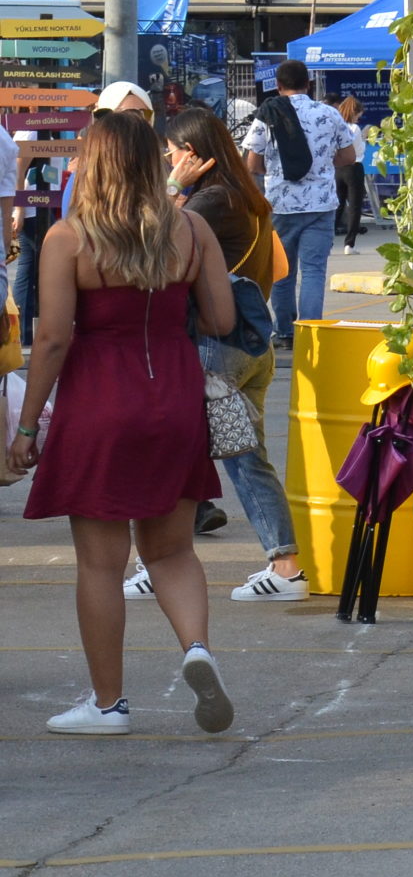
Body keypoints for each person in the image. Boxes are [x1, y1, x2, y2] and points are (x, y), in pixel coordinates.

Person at [10, 111, 240, 736]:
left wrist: (27, 429)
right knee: (171, 550)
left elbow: (53, 339)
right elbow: (220, 318)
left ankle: (108, 703)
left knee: (100, 564)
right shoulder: (191, 230)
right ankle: (196, 647)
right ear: (150, 162)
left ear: (96, 163)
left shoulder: (69, 238)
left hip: (99, 401)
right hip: (174, 393)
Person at [158, 108, 303, 603]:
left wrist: (171, 187)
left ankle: (284, 566)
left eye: (172, 152)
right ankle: (158, 560)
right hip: (245, 343)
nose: (167, 159)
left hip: (219, 348)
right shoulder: (242, 195)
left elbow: (153, 243)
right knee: (204, 451)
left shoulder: (211, 201)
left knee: (236, 456)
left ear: (192, 155)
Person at [242, 58, 361, 337]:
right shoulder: (329, 114)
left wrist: (273, 170)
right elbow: (348, 157)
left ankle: (284, 332)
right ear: (308, 84)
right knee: (314, 271)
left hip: (281, 205)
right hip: (321, 205)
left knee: (283, 271)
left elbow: (252, 163)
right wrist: (321, 165)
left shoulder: (267, 114)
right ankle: (309, 332)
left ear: (279, 85)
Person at [333, 94, 369, 251]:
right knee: (355, 206)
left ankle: (330, 238)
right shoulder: (354, 128)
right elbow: (359, 150)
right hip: (354, 167)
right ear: (354, 112)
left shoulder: (336, 126)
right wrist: (364, 137)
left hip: (337, 168)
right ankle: (349, 243)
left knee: (338, 204)